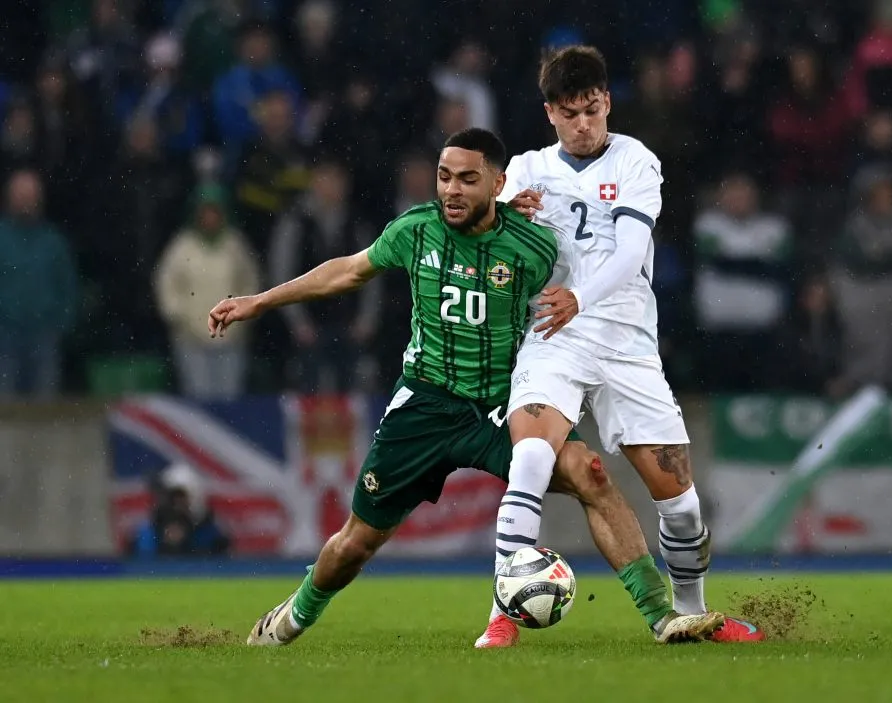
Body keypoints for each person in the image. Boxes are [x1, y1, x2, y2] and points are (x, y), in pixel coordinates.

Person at [208, 128, 725, 648]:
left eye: (467, 179)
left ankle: (662, 617)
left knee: (588, 473)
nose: (452, 190)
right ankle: (293, 617)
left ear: (498, 183)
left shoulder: (534, 243)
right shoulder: (416, 229)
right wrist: (260, 301)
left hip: (500, 404)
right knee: (356, 543)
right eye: (444, 177)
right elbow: (348, 271)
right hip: (425, 403)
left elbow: (595, 265)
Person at [477, 46, 763, 647]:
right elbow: (474, 234)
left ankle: (689, 615)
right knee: (530, 456)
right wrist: (501, 214)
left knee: (680, 501)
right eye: (570, 113)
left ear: (606, 102)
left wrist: (579, 294)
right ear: (549, 112)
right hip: (552, 336)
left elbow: (631, 251)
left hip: (627, 342)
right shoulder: (525, 171)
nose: (584, 124)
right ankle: (503, 613)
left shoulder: (636, 161)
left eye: (593, 109)